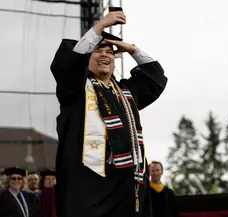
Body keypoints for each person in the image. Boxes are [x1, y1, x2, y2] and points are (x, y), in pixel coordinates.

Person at [50, 9, 167, 217]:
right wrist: (100, 26)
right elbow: (68, 64)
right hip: (90, 189)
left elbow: (156, 78)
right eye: (98, 50)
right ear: (87, 58)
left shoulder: (126, 91)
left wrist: (132, 49)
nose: (105, 54)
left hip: (127, 188)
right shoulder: (75, 90)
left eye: (110, 52)